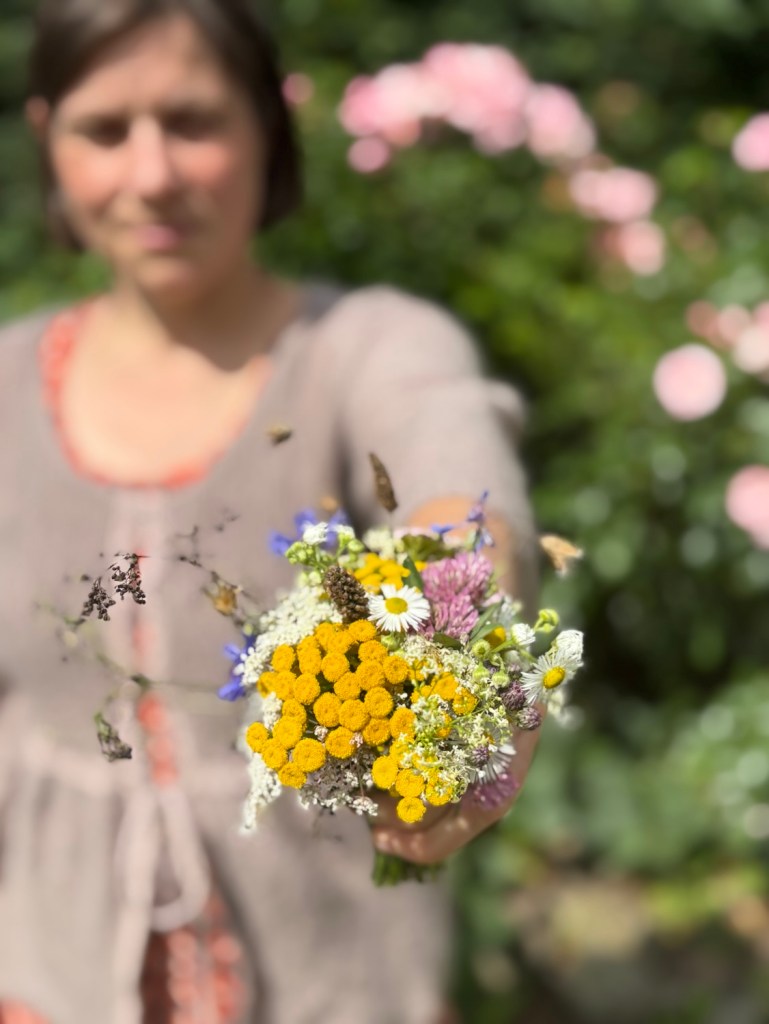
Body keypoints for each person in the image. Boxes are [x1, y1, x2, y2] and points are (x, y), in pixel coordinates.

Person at [0, 1, 541, 1021]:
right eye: (104, 130)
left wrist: (453, 626)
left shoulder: (366, 348)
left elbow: (453, 477)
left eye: (194, 121)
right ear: (47, 140)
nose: (152, 173)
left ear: (268, 124)